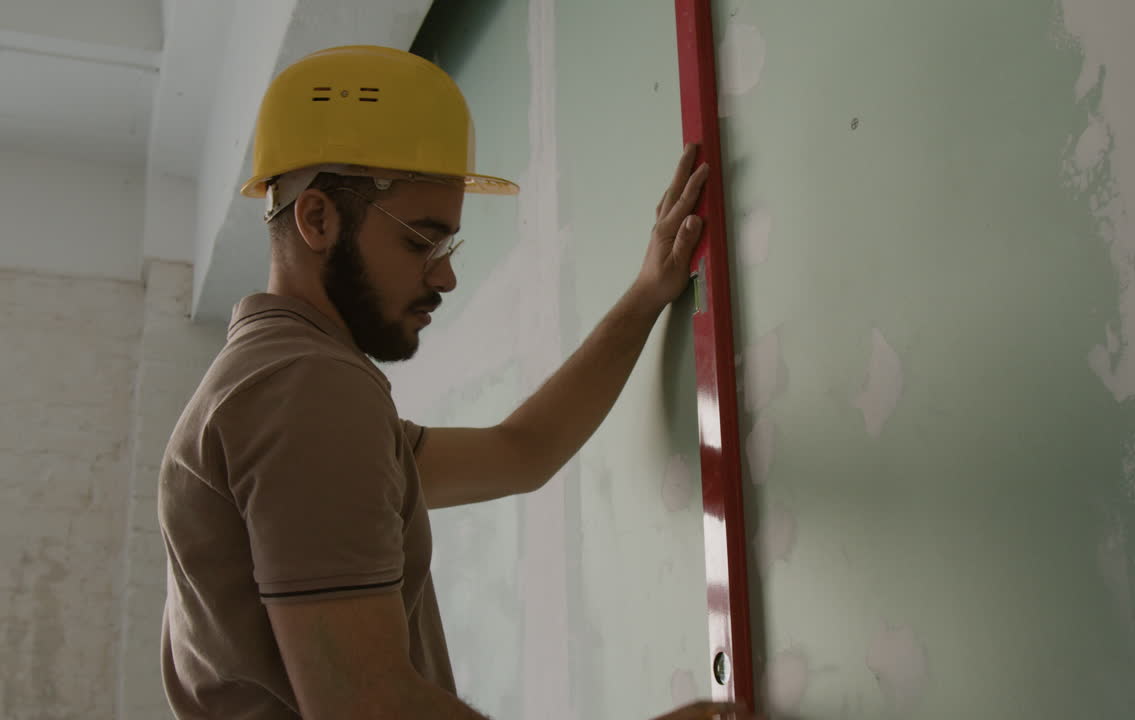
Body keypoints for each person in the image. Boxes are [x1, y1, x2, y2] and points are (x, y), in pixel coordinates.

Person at [158, 45, 756, 720]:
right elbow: (367, 707)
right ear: (318, 218)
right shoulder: (302, 390)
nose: (444, 277)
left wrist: (647, 293)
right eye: (421, 241)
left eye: (448, 248)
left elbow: (521, 452)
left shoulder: (275, 384)